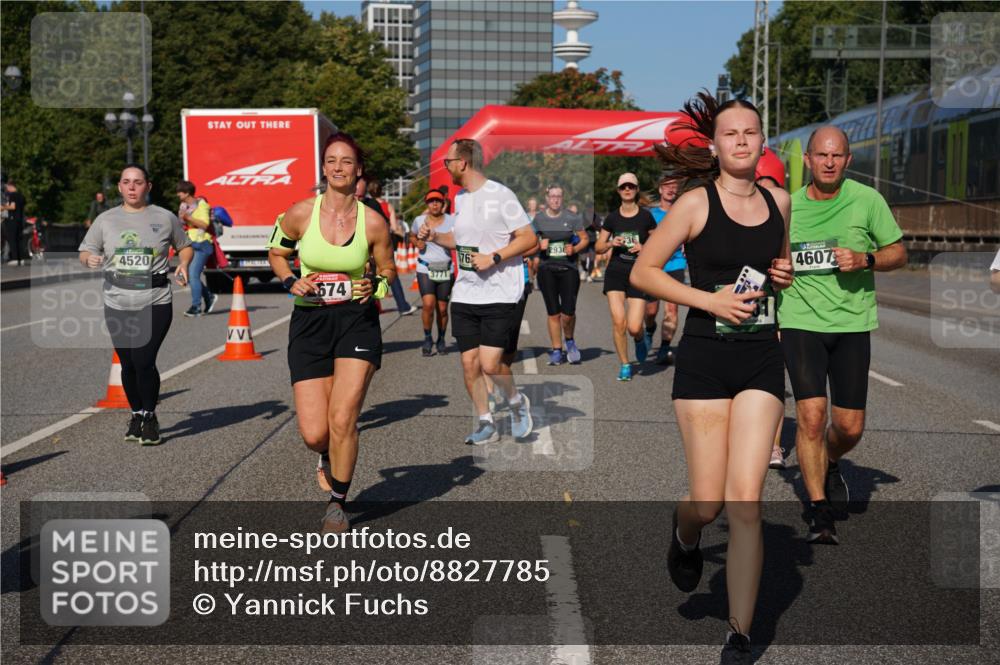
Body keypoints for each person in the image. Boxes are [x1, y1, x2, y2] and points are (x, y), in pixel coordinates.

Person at [631, 92, 793, 663]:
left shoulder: (779, 199)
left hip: (760, 359)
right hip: (702, 355)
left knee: (745, 499)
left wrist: (782, 273)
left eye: (751, 132)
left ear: (762, 141)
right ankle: (686, 533)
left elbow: (781, 267)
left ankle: (740, 633)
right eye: (731, 133)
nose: (742, 141)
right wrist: (711, 301)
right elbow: (643, 271)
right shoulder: (695, 204)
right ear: (716, 145)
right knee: (708, 502)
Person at [778, 125, 906, 544]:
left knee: (849, 427)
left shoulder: (867, 200)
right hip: (800, 322)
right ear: (808, 161)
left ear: (848, 161)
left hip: (852, 325)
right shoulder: (787, 207)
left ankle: (830, 460)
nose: (829, 162)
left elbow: (898, 253)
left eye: (837, 156)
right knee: (812, 417)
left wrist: (865, 258)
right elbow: (770, 260)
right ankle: (818, 510)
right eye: (821, 155)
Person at [267, 131, 395, 534]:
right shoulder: (300, 213)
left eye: (346, 161)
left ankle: (337, 503)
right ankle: (325, 455)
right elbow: (277, 253)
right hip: (310, 323)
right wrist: (291, 281)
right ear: (324, 168)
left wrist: (373, 286)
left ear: (358, 170)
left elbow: (389, 271)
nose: (338, 168)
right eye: (331, 161)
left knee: (343, 418)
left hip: (357, 321)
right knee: (315, 432)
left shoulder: (373, 222)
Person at [417, 138, 537, 445]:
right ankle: (486, 422)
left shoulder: (502, 195)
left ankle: (515, 403)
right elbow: (459, 240)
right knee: (469, 364)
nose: (446, 167)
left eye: (448, 162)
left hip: (499, 293)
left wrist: (494, 257)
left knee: (490, 364)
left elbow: (528, 239)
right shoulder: (461, 198)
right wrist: (433, 236)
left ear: (463, 162)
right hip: (467, 293)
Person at [79, 164, 193, 445]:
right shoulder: (105, 219)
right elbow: (86, 250)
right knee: (128, 364)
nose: (132, 187)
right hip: (117, 300)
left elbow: (185, 245)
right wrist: (89, 259)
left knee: (143, 359)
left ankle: (151, 416)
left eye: (138, 182)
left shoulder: (164, 218)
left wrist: (184, 265)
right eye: (126, 182)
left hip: (155, 299)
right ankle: (137, 413)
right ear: (119, 187)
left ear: (148, 186)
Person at [594, 173, 658, 381]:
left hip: (638, 274)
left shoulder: (646, 217)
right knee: (618, 321)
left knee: (633, 326)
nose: (627, 190)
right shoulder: (612, 218)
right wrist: (612, 243)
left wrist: (644, 246)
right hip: (615, 272)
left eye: (631, 186)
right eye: (623, 187)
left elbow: (659, 242)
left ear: (637, 189)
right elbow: (598, 246)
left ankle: (639, 339)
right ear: (618, 190)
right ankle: (624, 364)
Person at [756, 174, 790, 470]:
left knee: (773, 376)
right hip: (747, 309)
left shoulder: (787, 222)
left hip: (783, 309)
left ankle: (775, 445)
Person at [533, 184, 588, 365]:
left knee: (568, 314)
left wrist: (575, 248)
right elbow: (530, 242)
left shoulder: (572, 218)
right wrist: (538, 246)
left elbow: (585, 239)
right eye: (552, 196)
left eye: (559, 196)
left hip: (568, 269)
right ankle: (557, 350)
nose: (555, 199)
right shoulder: (539, 219)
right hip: (546, 269)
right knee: (553, 314)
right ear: (547, 199)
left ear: (562, 199)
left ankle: (570, 340)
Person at [645, 173, 687, 366]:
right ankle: (649, 329)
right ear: (660, 189)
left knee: (671, 309)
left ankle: (664, 347)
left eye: (674, 185)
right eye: (667, 185)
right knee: (651, 310)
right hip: (654, 266)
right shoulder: (651, 215)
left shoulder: (683, 211)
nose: (671, 189)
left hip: (676, 264)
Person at [359, 176, 413, 316]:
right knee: (389, 273)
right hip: (383, 245)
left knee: (368, 274)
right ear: (381, 191)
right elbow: (394, 228)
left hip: (365, 244)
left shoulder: (364, 204)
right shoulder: (387, 206)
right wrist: (406, 236)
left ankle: (374, 307)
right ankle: (402, 306)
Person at [410, 189, 456, 356]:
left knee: (442, 308)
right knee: (428, 304)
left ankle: (441, 338)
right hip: (425, 267)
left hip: (445, 268)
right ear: (427, 204)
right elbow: (412, 235)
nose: (434, 204)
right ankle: (428, 338)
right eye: (431, 201)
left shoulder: (452, 221)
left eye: (437, 201)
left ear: (442, 203)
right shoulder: (419, 220)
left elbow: (458, 241)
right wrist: (417, 243)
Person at [176, 181, 218, 317]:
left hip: (202, 243)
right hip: (191, 243)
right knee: (191, 275)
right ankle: (209, 297)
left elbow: (205, 224)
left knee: (193, 275)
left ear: (187, 193)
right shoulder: (183, 206)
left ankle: (196, 307)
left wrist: (188, 217)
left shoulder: (202, 205)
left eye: (180, 192)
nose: (177, 194)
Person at [2, 179, 26, 266]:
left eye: (7, 187)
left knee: (12, 239)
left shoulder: (13, 195)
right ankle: (21, 259)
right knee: (19, 239)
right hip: (20, 220)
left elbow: (13, 207)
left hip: (12, 220)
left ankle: (15, 259)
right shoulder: (22, 196)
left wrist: (3, 207)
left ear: (10, 186)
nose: (7, 190)